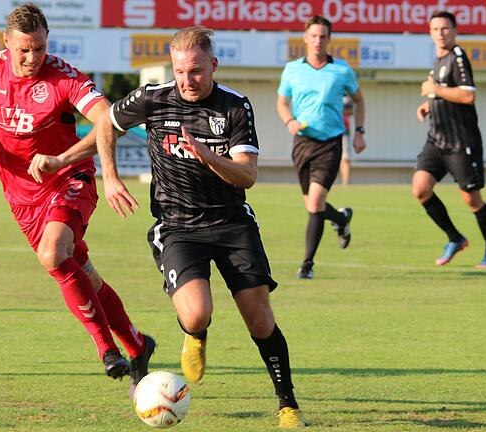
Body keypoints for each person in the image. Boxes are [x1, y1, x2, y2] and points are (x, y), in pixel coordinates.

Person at [0, 3, 155, 394]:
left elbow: (107, 119)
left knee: (53, 252)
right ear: (6, 43)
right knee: (83, 274)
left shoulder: (63, 76)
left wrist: (111, 177)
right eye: (23, 49)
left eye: (39, 48)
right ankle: (137, 345)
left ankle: (107, 350)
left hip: (70, 180)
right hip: (22, 199)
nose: (32, 57)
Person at [97, 26, 302, 428]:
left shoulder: (234, 106)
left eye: (196, 71)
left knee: (259, 320)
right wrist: (110, 176)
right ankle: (197, 335)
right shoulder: (154, 98)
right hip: (177, 225)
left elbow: (247, 176)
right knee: (195, 315)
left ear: (213, 65)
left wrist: (208, 156)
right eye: (180, 72)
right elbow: (106, 121)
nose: (187, 81)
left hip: (231, 222)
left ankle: (287, 403)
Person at [276, 15, 367, 280]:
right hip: (302, 142)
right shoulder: (292, 69)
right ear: (305, 38)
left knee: (315, 202)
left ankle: (307, 265)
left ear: (329, 39)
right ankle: (340, 219)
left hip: (330, 142)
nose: (318, 41)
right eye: (313, 35)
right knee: (312, 205)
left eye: (323, 36)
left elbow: (360, 101)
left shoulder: (341, 70)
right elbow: (282, 103)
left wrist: (359, 132)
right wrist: (290, 121)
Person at [413, 11, 486, 268]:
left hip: (461, 141)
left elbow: (467, 95)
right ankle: (455, 238)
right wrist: (428, 104)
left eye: (445, 28)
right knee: (420, 189)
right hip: (436, 140)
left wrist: (434, 90)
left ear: (454, 30)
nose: (440, 33)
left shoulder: (458, 56)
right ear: (430, 33)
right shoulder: (438, 60)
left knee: (471, 199)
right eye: (435, 29)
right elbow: (444, 92)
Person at [339, 95, 353, 185]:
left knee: (345, 158)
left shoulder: (346, 99)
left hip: (344, 132)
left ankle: (345, 182)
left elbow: (350, 111)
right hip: (329, 132)